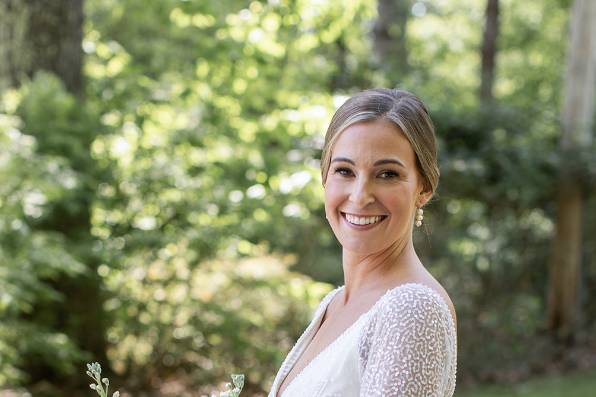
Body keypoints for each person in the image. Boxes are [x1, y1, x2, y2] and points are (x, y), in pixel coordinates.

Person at [268, 88, 458, 397]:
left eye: (387, 174)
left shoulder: (412, 309)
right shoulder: (332, 304)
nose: (359, 196)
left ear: (424, 188)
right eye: (344, 170)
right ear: (325, 178)